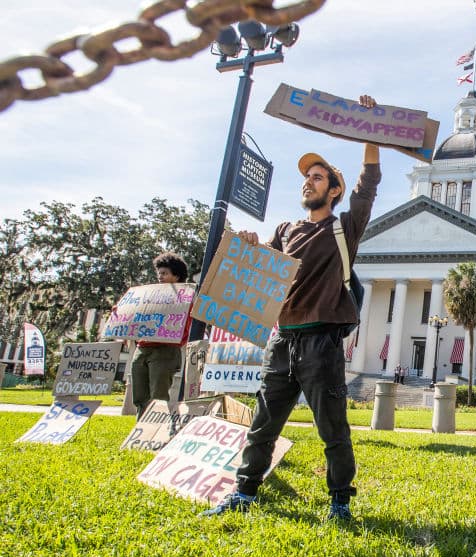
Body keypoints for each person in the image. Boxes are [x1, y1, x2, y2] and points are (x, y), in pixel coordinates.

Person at [202, 95, 382, 522]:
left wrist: (371, 129)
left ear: (333, 190)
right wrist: (249, 245)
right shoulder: (285, 228)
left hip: (322, 341)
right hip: (282, 340)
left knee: (333, 429)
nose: (309, 182)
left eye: (318, 178)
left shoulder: (345, 226)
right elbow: (266, 270)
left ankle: (340, 502)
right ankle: (244, 493)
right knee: (264, 424)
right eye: (306, 177)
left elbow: (368, 183)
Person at [130, 252, 191, 418]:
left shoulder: (185, 299)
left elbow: (186, 326)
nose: (160, 277)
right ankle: (140, 431)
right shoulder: (148, 296)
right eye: (159, 273)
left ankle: (156, 433)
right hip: (142, 348)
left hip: (165, 350)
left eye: (164, 273)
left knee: (158, 397)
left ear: (176, 276)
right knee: (140, 395)